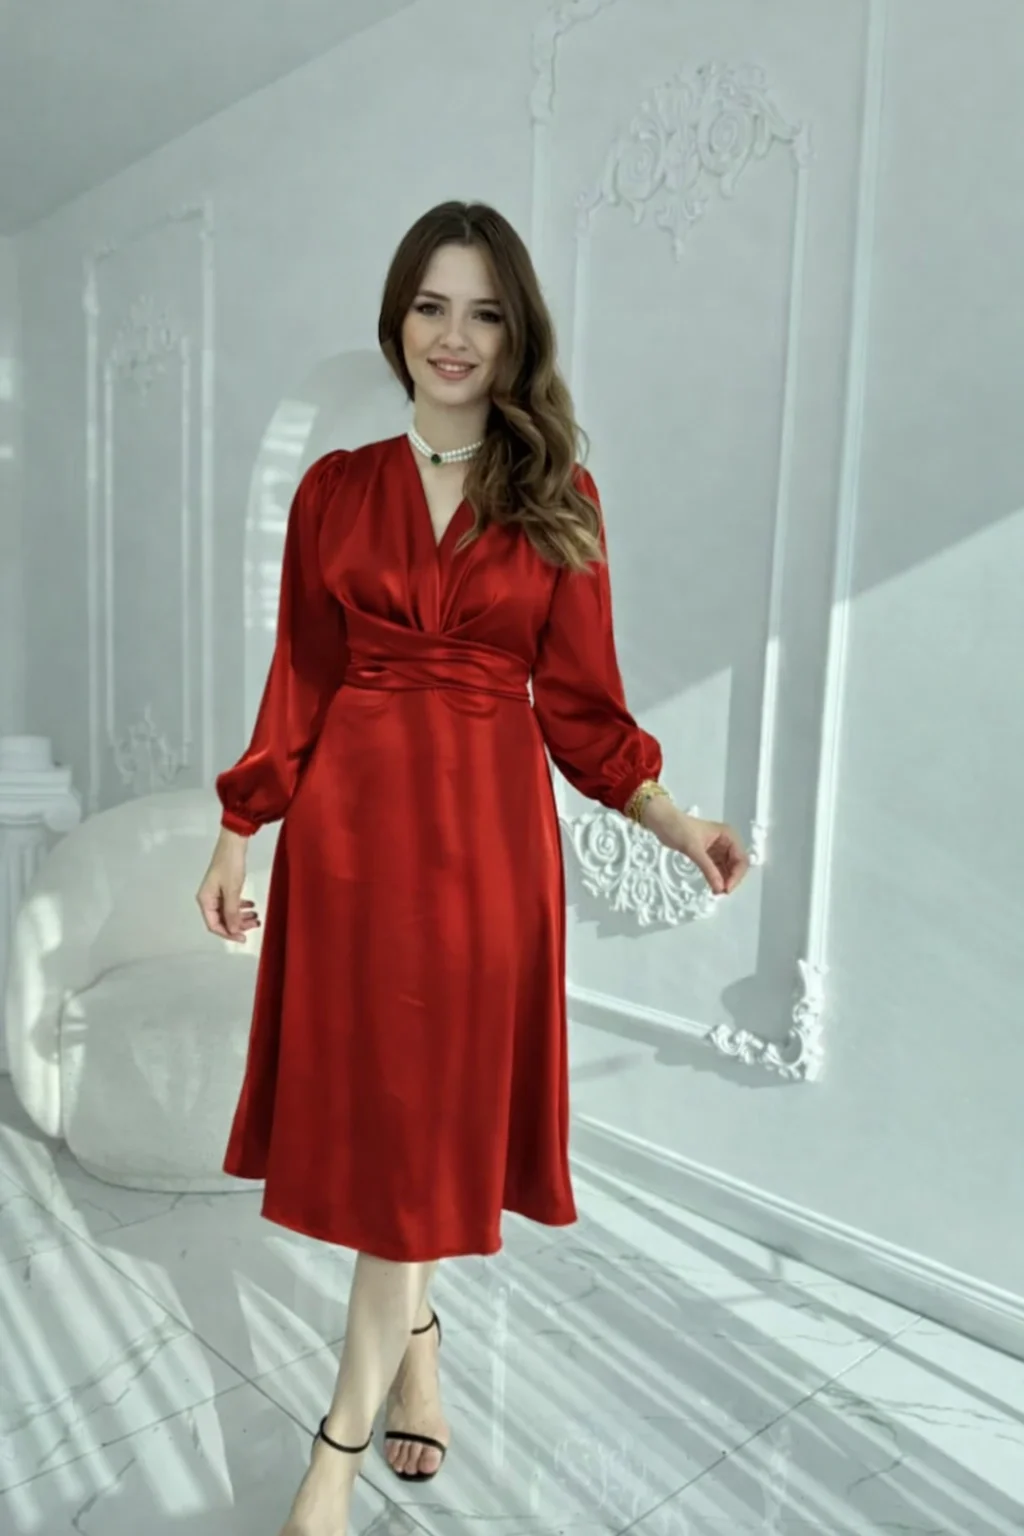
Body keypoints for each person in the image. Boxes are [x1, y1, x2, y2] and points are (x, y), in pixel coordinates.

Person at [196, 199, 749, 1536]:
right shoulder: (336, 490)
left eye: (485, 312)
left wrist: (675, 819)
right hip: (350, 849)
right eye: (432, 306)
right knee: (394, 1133)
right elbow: (301, 679)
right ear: (397, 320)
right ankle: (421, 1348)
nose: (455, 336)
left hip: (486, 859)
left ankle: (334, 1454)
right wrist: (240, 826)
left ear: (518, 335)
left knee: (430, 1125)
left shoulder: (560, 497)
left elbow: (585, 711)